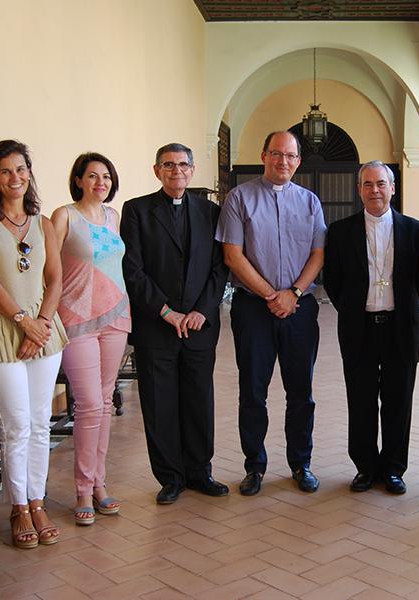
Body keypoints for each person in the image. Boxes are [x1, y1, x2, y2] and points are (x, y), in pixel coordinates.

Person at [0, 139, 66, 549]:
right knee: (17, 426)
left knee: (41, 424)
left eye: (21, 169)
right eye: (6, 171)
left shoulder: (41, 222)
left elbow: (56, 278)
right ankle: (18, 508)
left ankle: (38, 502)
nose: (15, 178)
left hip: (42, 332)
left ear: (30, 174)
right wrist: (23, 322)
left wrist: (41, 324)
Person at [215, 131, 326, 496]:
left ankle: (300, 463)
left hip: (299, 309)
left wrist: (292, 294)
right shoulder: (239, 198)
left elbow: (318, 254)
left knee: (301, 393)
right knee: (253, 391)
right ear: (264, 155)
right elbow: (233, 254)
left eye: (290, 156)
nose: (283, 162)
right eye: (276, 154)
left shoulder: (310, 202)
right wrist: (270, 295)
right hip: (253, 310)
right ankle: (255, 466)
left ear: (298, 160)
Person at [121, 143, 229, 505]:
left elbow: (219, 267)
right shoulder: (136, 211)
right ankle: (170, 477)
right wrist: (166, 312)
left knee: (199, 400)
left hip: (199, 325)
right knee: (160, 402)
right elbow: (132, 269)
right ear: (156, 170)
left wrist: (202, 310)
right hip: (157, 325)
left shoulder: (211, 212)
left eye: (183, 164)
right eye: (168, 165)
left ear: (193, 169)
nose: (176, 171)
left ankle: (200, 472)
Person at [324, 161, 419, 494]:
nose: (374, 191)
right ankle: (365, 467)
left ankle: (394, 468)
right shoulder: (340, 231)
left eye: (381, 184)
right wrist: (357, 309)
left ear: (392, 188)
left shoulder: (415, 230)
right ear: (359, 190)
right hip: (360, 327)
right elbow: (333, 281)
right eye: (368, 185)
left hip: (400, 327)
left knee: (399, 400)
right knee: (361, 400)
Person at [52, 153, 130, 525]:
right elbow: (50, 270)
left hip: (116, 316)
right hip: (77, 320)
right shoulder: (64, 216)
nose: (101, 182)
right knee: (87, 406)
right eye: (93, 176)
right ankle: (83, 489)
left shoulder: (113, 217)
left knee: (104, 400)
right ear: (79, 179)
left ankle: (100, 483)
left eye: (106, 177)